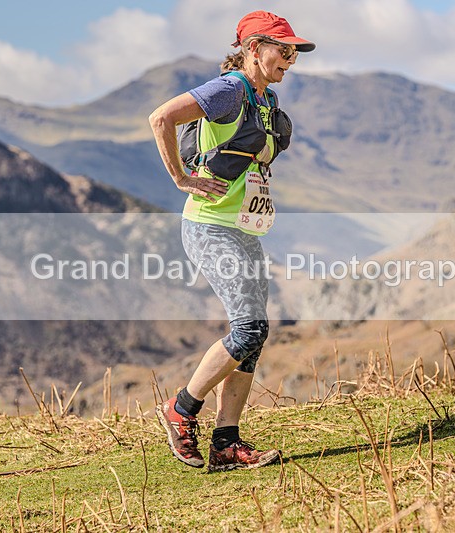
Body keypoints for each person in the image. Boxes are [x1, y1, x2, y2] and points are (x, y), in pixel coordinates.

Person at [148, 11, 315, 472]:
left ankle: (226, 443)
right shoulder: (228, 89)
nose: (291, 60)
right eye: (283, 50)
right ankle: (180, 410)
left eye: (294, 52)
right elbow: (161, 117)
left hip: (242, 228)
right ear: (253, 48)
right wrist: (181, 179)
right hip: (209, 226)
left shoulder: (265, 98)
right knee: (250, 329)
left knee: (254, 337)